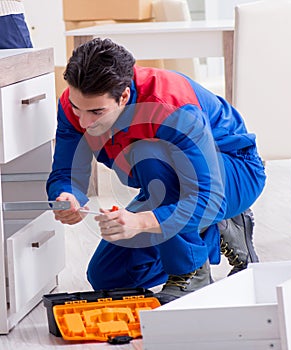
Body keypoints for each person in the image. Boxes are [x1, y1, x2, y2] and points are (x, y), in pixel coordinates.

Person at [47, 37, 266, 301]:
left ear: (124, 95)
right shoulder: (77, 105)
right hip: (169, 187)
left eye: (96, 112)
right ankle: (217, 231)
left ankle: (190, 272)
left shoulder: (171, 107)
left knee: (147, 153)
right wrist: (67, 196)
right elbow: (65, 173)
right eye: (76, 107)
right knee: (109, 276)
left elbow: (210, 198)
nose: (84, 121)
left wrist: (142, 222)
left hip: (233, 174)